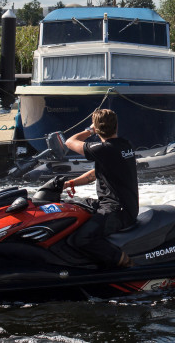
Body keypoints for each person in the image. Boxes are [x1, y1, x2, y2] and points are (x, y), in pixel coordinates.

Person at [62, 108, 138, 268]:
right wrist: (71, 183)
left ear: (97, 130)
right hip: (120, 206)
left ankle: (124, 260)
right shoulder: (125, 145)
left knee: (82, 239)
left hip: (117, 211)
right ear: (116, 126)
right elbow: (96, 173)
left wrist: (89, 130)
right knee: (74, 207)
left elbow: (69, 142)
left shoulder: (103, 149)